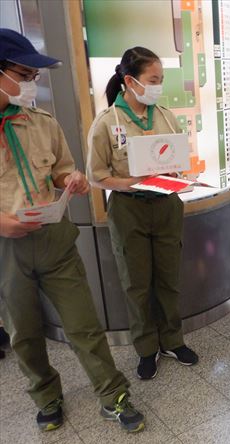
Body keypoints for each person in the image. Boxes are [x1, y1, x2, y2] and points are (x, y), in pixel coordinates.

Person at [0, 28, 144, 433]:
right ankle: (45, 395)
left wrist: (71, 180)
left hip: (54, 239)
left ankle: (112, 394)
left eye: (34, 75)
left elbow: (61, 168)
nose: (32, 83)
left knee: (83, 324)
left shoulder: (42, 122)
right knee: (23, 333)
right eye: (24, 74)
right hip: (6, 250)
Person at [87, 47, 198, 381]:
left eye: (161, 80)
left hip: (166, 206)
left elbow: (178, 159)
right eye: (153, 80)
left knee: (169, 278)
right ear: (130, 81)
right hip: (128, 208)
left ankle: (173, 340)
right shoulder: (108, 123)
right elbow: (96, 175)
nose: (158, 86)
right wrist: (128, 183)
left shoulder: (165, 116)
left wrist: (179, 176)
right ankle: (146, 349)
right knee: (136, 284)